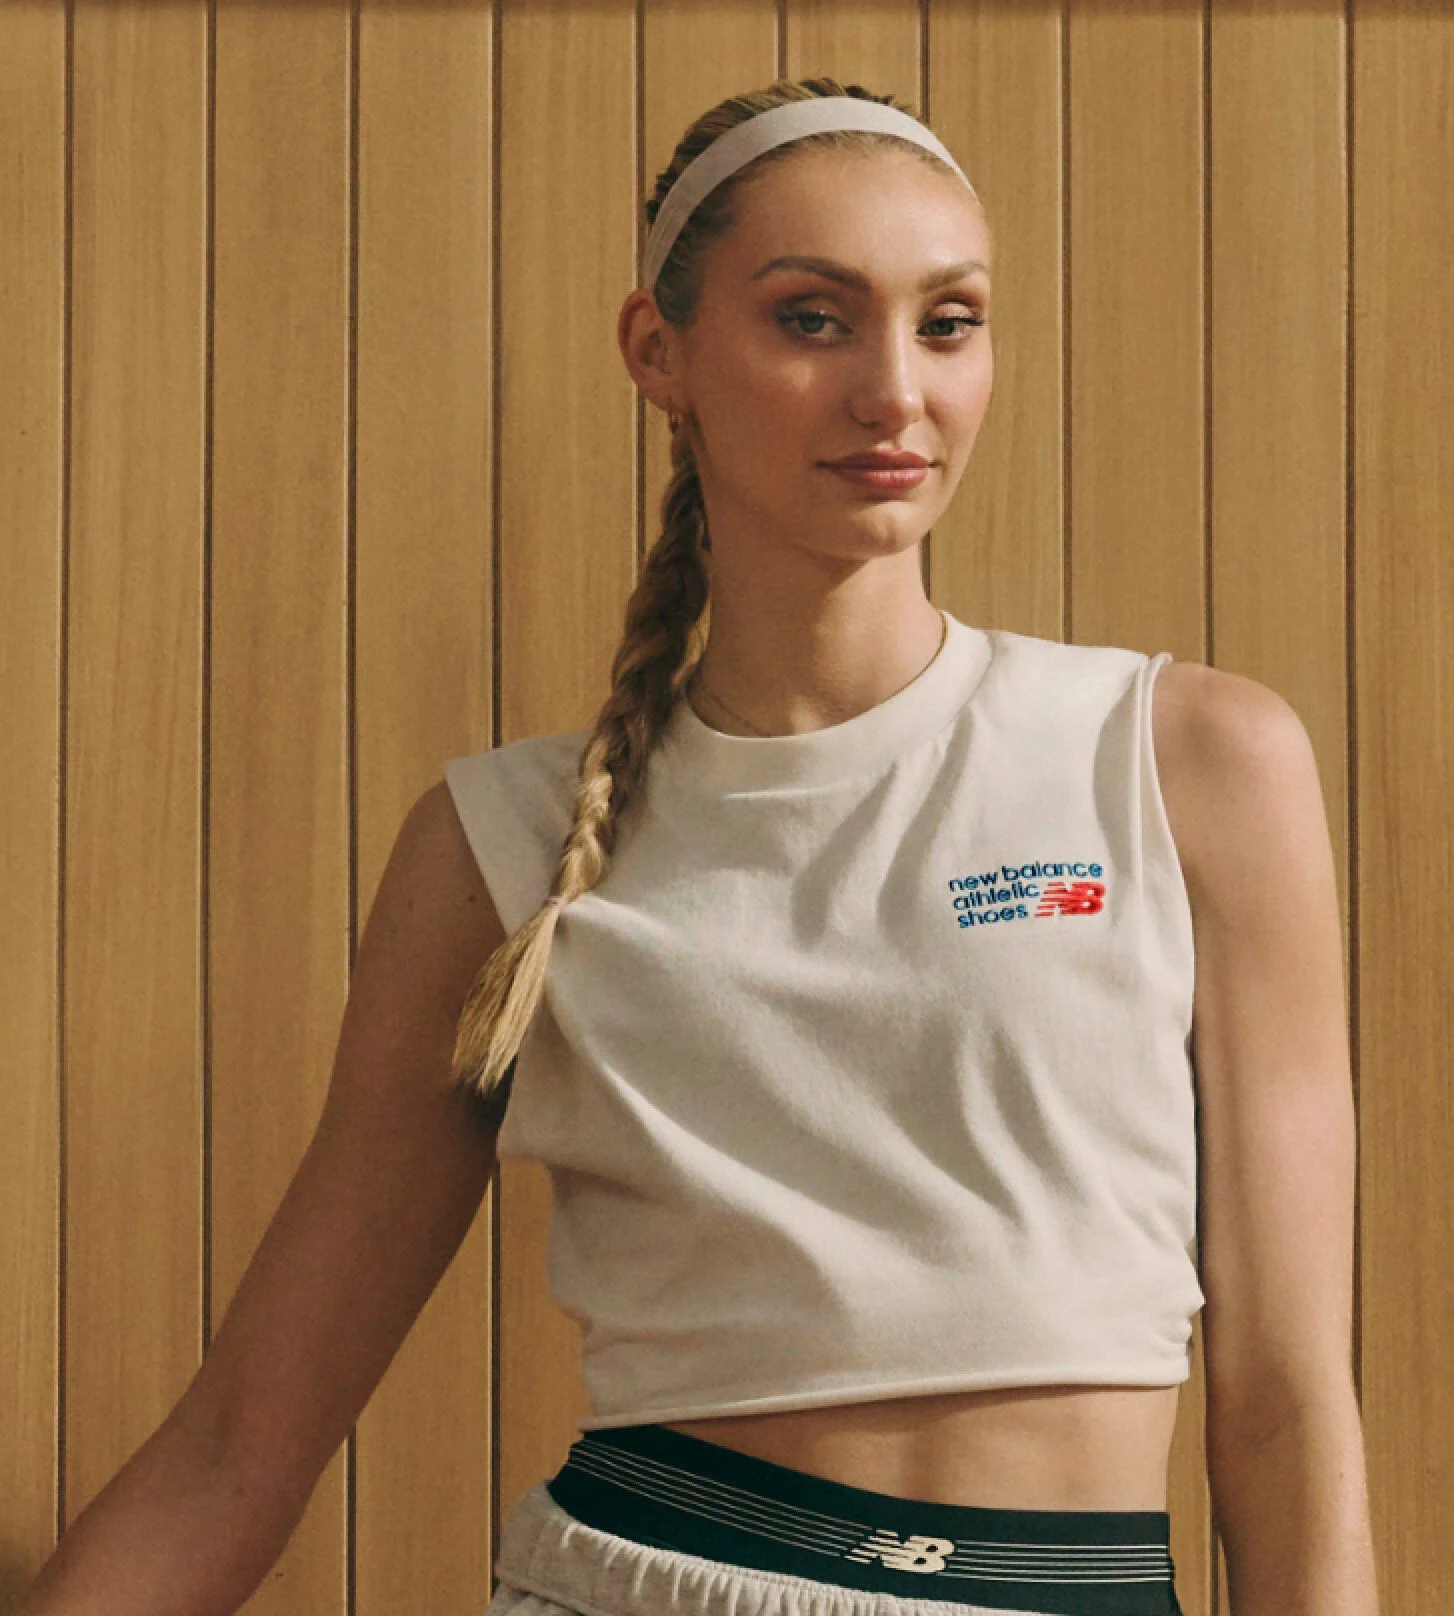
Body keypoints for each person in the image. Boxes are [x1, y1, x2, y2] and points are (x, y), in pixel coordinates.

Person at [16, 78, 1195, 1616]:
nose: (895, 391)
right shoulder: (500, 849)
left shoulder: (1172, 759)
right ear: (659, 352)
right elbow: (242, 1445)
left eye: (949, 323)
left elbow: (1295, 1403)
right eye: (815, 319)